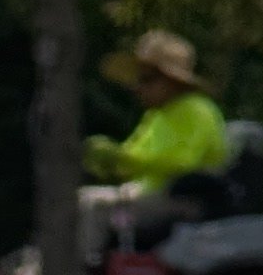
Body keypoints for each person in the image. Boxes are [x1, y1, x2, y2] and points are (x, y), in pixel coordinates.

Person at [79, 31, 228, 259]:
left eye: (146, 80)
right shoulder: (157, 116)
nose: (138, 87)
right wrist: (106, 163)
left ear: (172, 81)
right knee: (76, 200)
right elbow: (131, 156)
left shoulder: (196, 110)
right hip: (151, 196)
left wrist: (123, 160)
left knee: (93, 205)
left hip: (184, 203)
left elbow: (182, 163)